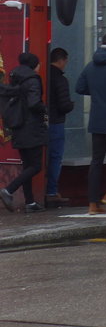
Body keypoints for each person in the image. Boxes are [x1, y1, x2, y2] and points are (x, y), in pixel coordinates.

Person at [76, 31, 106, 215]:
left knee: (96, 161)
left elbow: (80, 87)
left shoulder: (90, 66)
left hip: (97, 117)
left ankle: (93, 204)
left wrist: (99, 94)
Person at [0, 52, 48, 213]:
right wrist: (45, 109)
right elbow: (34, 103)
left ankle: (30, 202)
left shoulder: (15, 77)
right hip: (31, 127)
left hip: (18, 126)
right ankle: (8, 190)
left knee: (27, 165)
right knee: (35, 166)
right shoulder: (33, 80)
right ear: (34, 65)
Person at [44, 47, 74, 208]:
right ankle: (51, 191)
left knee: (43, 157)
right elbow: (64, 105)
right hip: (56, 123)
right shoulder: (61, 79)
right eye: (66, 61)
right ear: (61, 60)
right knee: (55, 157)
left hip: (43, 122)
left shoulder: (43, 76)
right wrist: (71, 105)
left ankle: (42, 190)